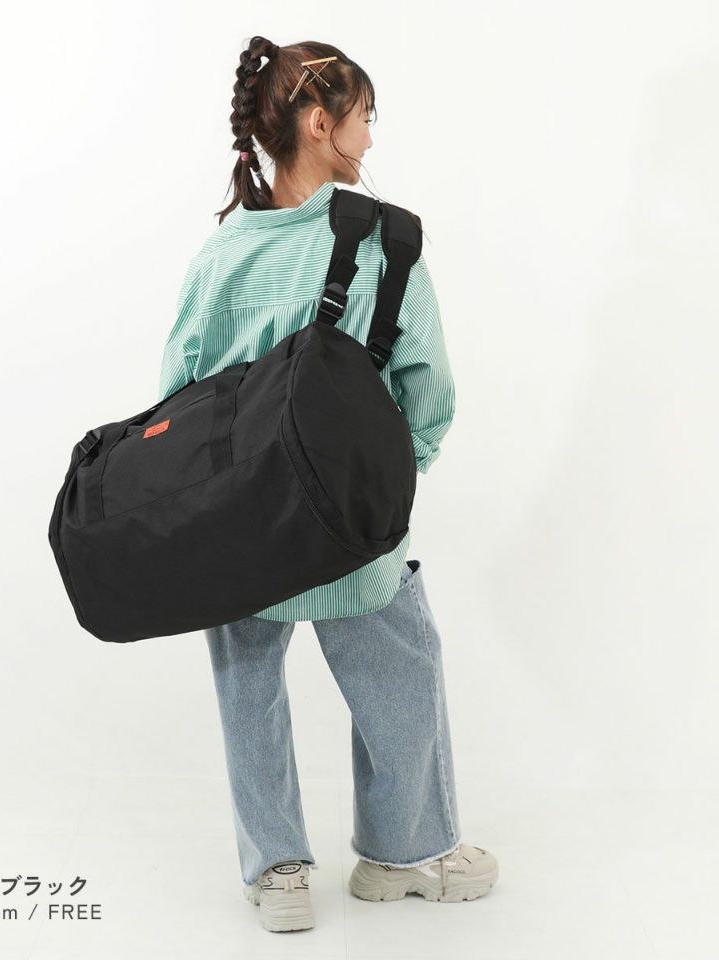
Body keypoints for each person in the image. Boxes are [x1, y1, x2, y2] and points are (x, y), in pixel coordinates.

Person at [158, 35, 498, 934]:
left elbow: (177, 398)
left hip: (239, 535)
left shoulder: (220, 259)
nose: (371, 139)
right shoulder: (389, 245)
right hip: (352, 525)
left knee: (248, 687)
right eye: (364, 119)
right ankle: (403, 856)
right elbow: (432, 391)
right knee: (403, 670)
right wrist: (384, 480)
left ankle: (277, 874)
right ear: (320, 123)